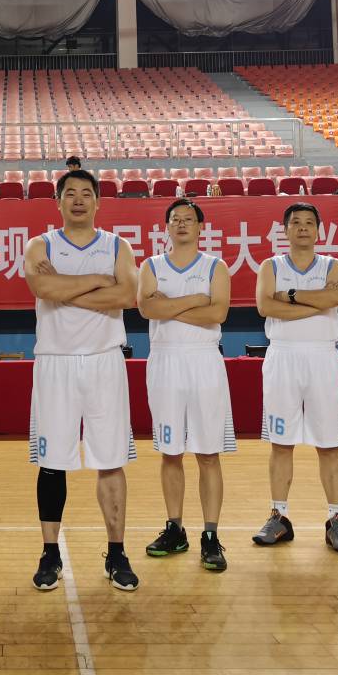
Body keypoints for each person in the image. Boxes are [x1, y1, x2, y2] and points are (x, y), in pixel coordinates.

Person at [25, 169, 140, 592]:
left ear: (98, 202)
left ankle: (117, 552)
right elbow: (43, 288)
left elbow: (126, 295)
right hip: (55, 361)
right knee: (52, 461)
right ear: (57, 202)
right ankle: (49, 553)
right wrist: (97, 281)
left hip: (103, 360)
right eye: (69, 193)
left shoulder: (117, 245)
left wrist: (65, 285)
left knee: (110, 458)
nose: (78, 200)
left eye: (86, 193)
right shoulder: (40, 244)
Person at [252, 203, 338, 554]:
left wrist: (292, 296)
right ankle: (279, 516)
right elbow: (266, 306)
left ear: (318, 230)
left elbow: (337, 297)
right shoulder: (271, 266)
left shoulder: (332, 265)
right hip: (283, 357)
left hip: (322, 357)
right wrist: (317, 303)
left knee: (329, 443)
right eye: (295, 222)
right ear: (285, 229)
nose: (303, 228)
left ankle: (336, 519)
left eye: (310, 223)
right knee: (281, 443)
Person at [137, 199, 233, 571]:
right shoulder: (151, 266)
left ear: (200, 227)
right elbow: (148, 309)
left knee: (208, 454)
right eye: (175, 219)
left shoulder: (215, 266)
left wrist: (171, 305)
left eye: (188, 219)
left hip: (204, 362)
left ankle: (210, 534)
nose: (181, 224)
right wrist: (196, 300)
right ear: (166, 227)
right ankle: (175, 528)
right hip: (165, 362)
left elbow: (218, 313)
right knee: (170, 452)